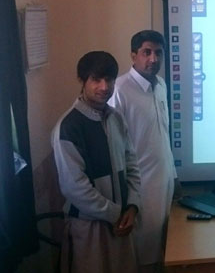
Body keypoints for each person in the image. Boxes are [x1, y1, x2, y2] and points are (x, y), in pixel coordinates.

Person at [52, 51, 140, 273]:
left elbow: (132, 165)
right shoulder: (69, 127)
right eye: (96, 79)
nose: (104, 87)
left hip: (122, 223)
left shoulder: (116, 118)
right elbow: (75, 188)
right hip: (89, 228)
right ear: (82, 81)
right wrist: (115, 214)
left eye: (109, 79)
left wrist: (132, 207)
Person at [109, 30, 178, 271]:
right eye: (146, 52)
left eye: (158, 53)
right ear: (133, 55)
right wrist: (128, 199)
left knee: (164, 250)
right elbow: (115, 149)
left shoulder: (161, 86)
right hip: (141, 190)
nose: (153, 59)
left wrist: (174, 176)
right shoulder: (119, 90)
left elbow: (163, 136)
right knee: (141, 255)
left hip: (165, 183)